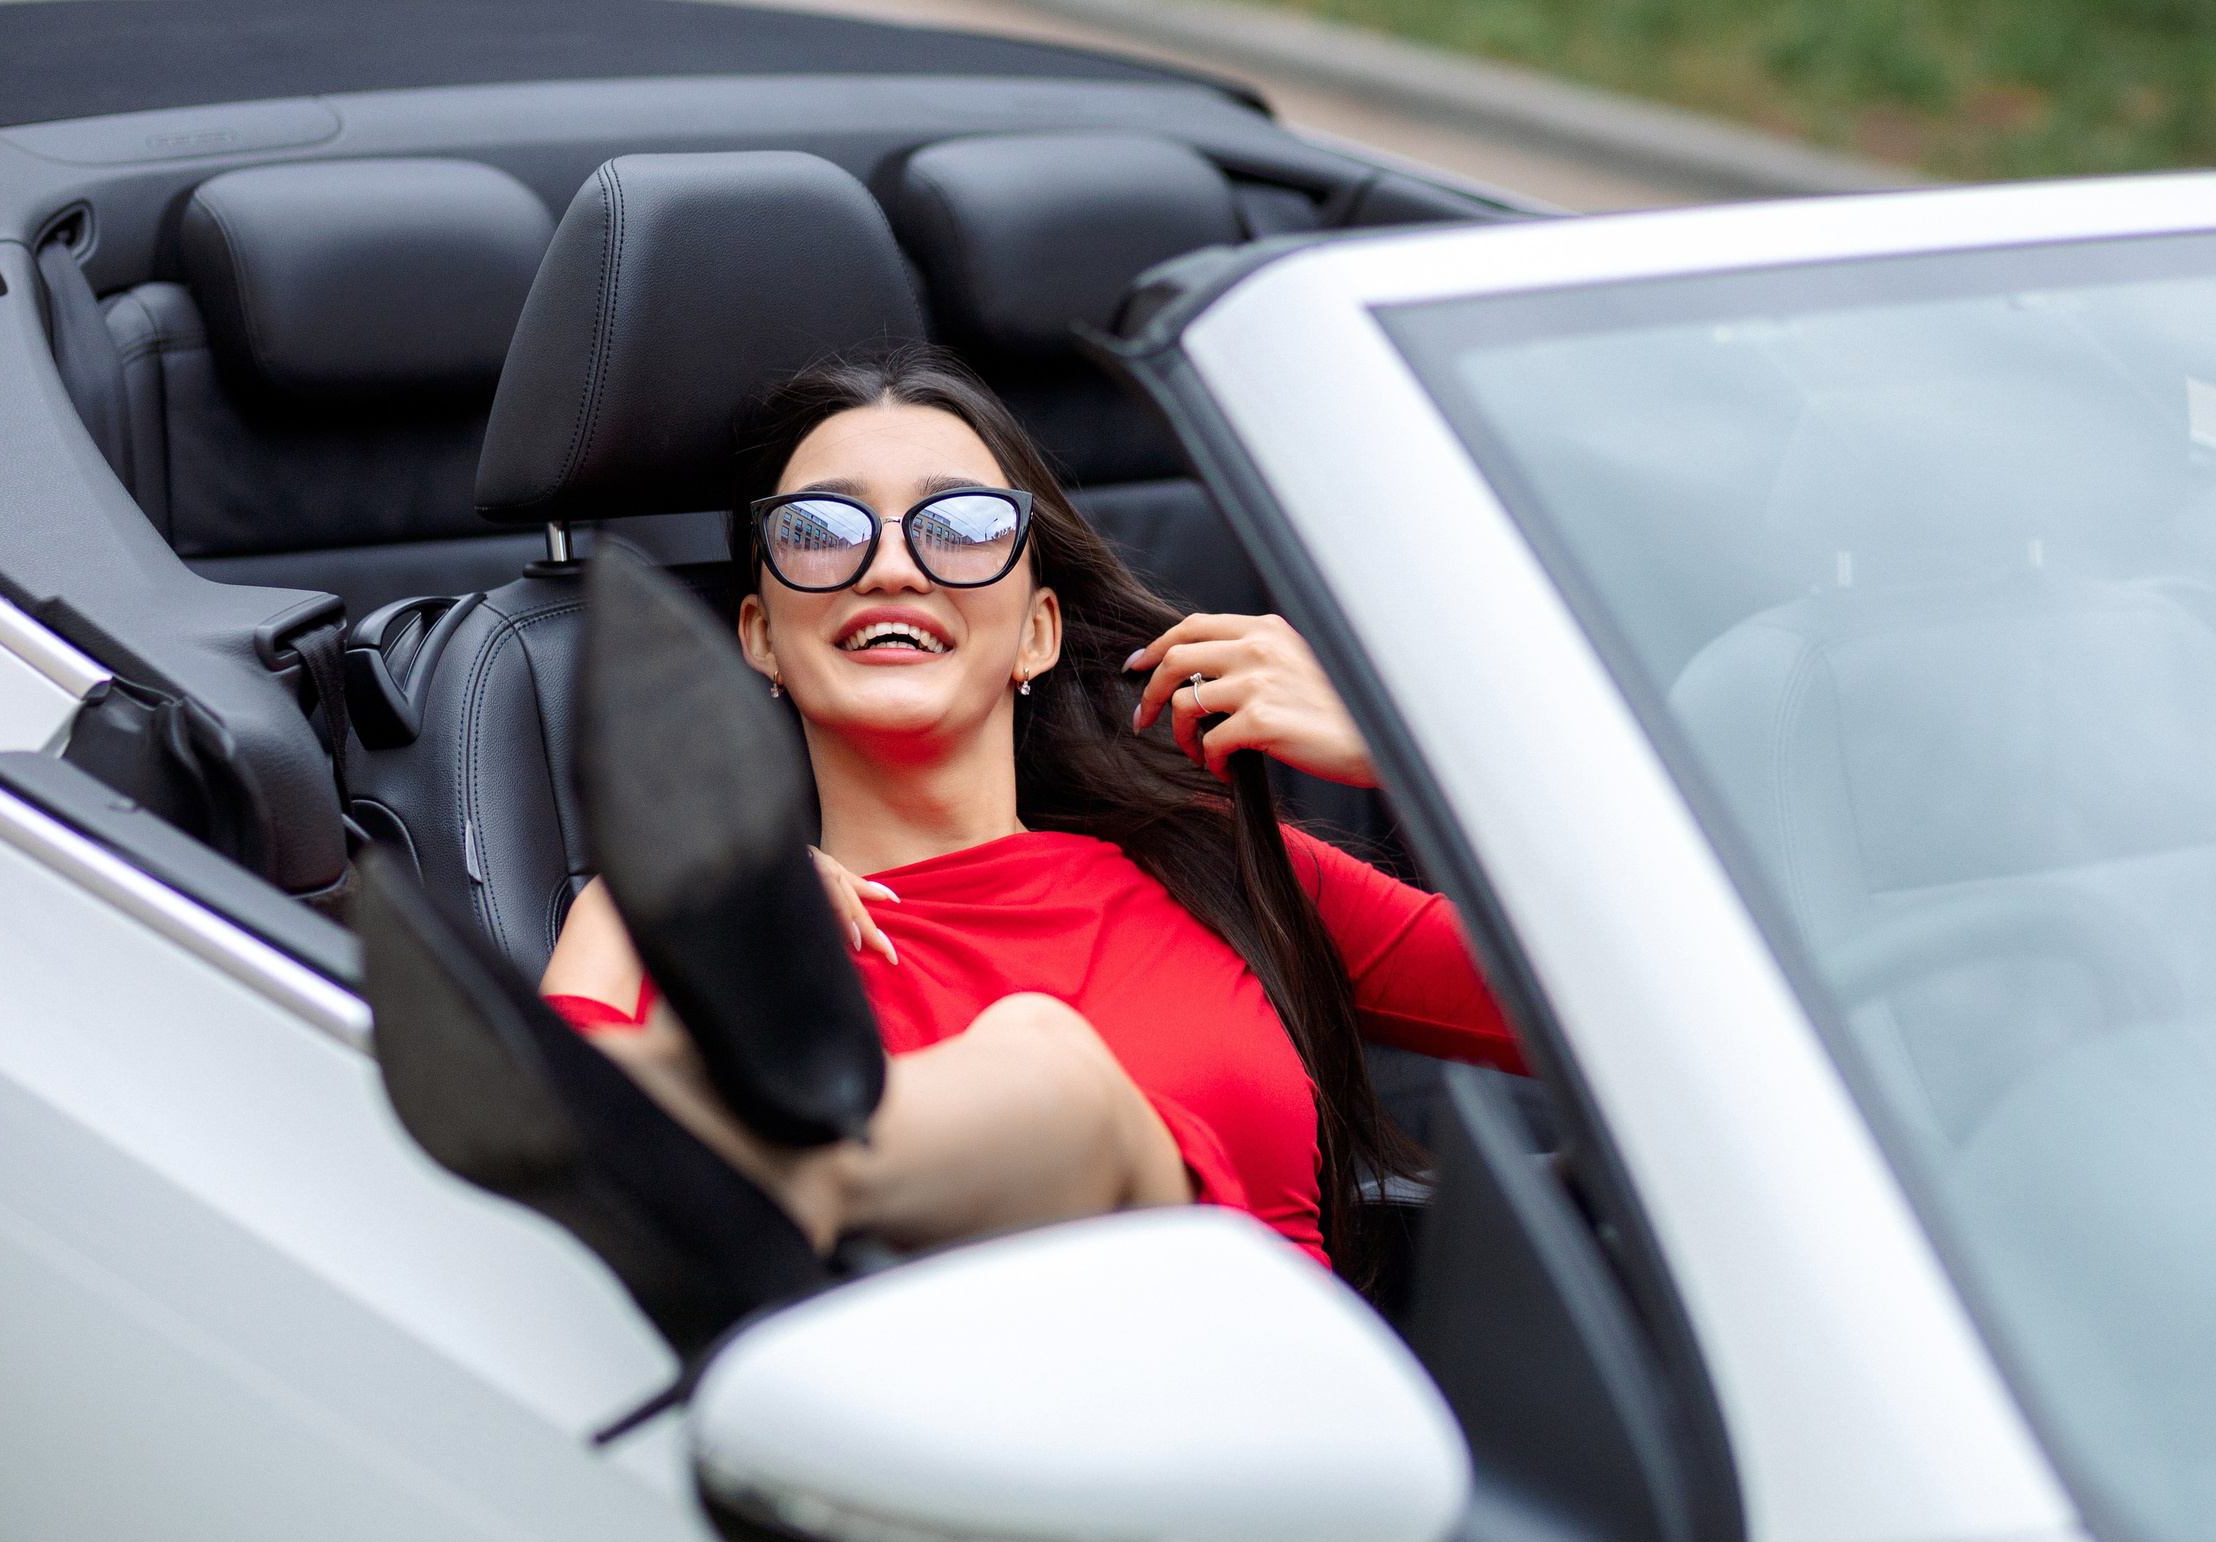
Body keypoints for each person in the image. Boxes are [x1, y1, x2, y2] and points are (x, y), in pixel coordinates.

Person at [538, 345, 1520, 1292]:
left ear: (1037, 632)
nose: (887, 568)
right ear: (759, 639)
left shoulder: (1206, 859)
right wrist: (641, 910)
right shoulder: (731, 941)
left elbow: (1604, 1010)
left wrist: (1414, 752)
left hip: (1277, 1411)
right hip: (961, 1436)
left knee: (1050, 1060)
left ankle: (813, 1159)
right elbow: (529, 1201)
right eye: (821, 531)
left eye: (959, 525)